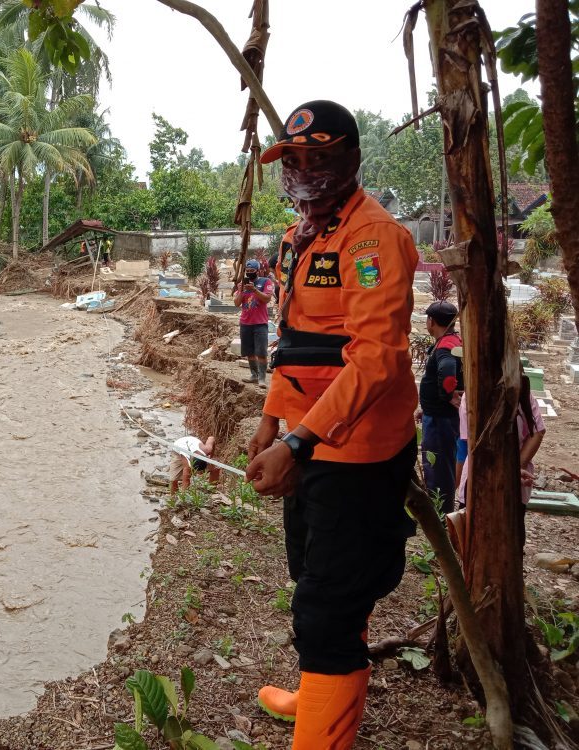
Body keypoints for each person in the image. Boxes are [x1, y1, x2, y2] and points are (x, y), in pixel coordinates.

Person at [243, 100, 419, 749]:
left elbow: (377, 357)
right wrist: (271, 420)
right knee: (316, 576)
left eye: (319, 158)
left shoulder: (374, 240)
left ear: (350, 159)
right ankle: (323, 688)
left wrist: (297, 439)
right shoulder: (298, 238)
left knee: (327, 604)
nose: (303, 172)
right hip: (306, 438)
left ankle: (324, 724)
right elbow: (294, 343)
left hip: (360, 452)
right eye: (293, 160)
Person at [456, 363, 546, 508]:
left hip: (512, 479)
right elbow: (474, 443)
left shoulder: (522, 394)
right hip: (480, 477)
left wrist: (515, 469)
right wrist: (511, 471)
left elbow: (537, 431)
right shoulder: (472, 396)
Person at [419, 301, 463, 513]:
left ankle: (440, 515)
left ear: (432, 321)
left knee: (438, 467)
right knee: (440, 464)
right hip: (436, 415)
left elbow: (447, 370)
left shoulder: (446, 346)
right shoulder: (449, 341)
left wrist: (447, 395)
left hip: (440, 420)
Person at [233, 259, 275, 388]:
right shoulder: (243, 285)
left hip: (260, 323)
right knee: (249, 351)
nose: (250, 273)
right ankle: (254, 375)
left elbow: (267, 298)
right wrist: (241, 291)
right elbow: (237, 303)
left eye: (252, 271)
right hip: (245, 323)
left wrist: (255, 290)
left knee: (261, 351)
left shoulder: (265, 282)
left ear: (258, 271)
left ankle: (262, 378)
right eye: (248, 271)